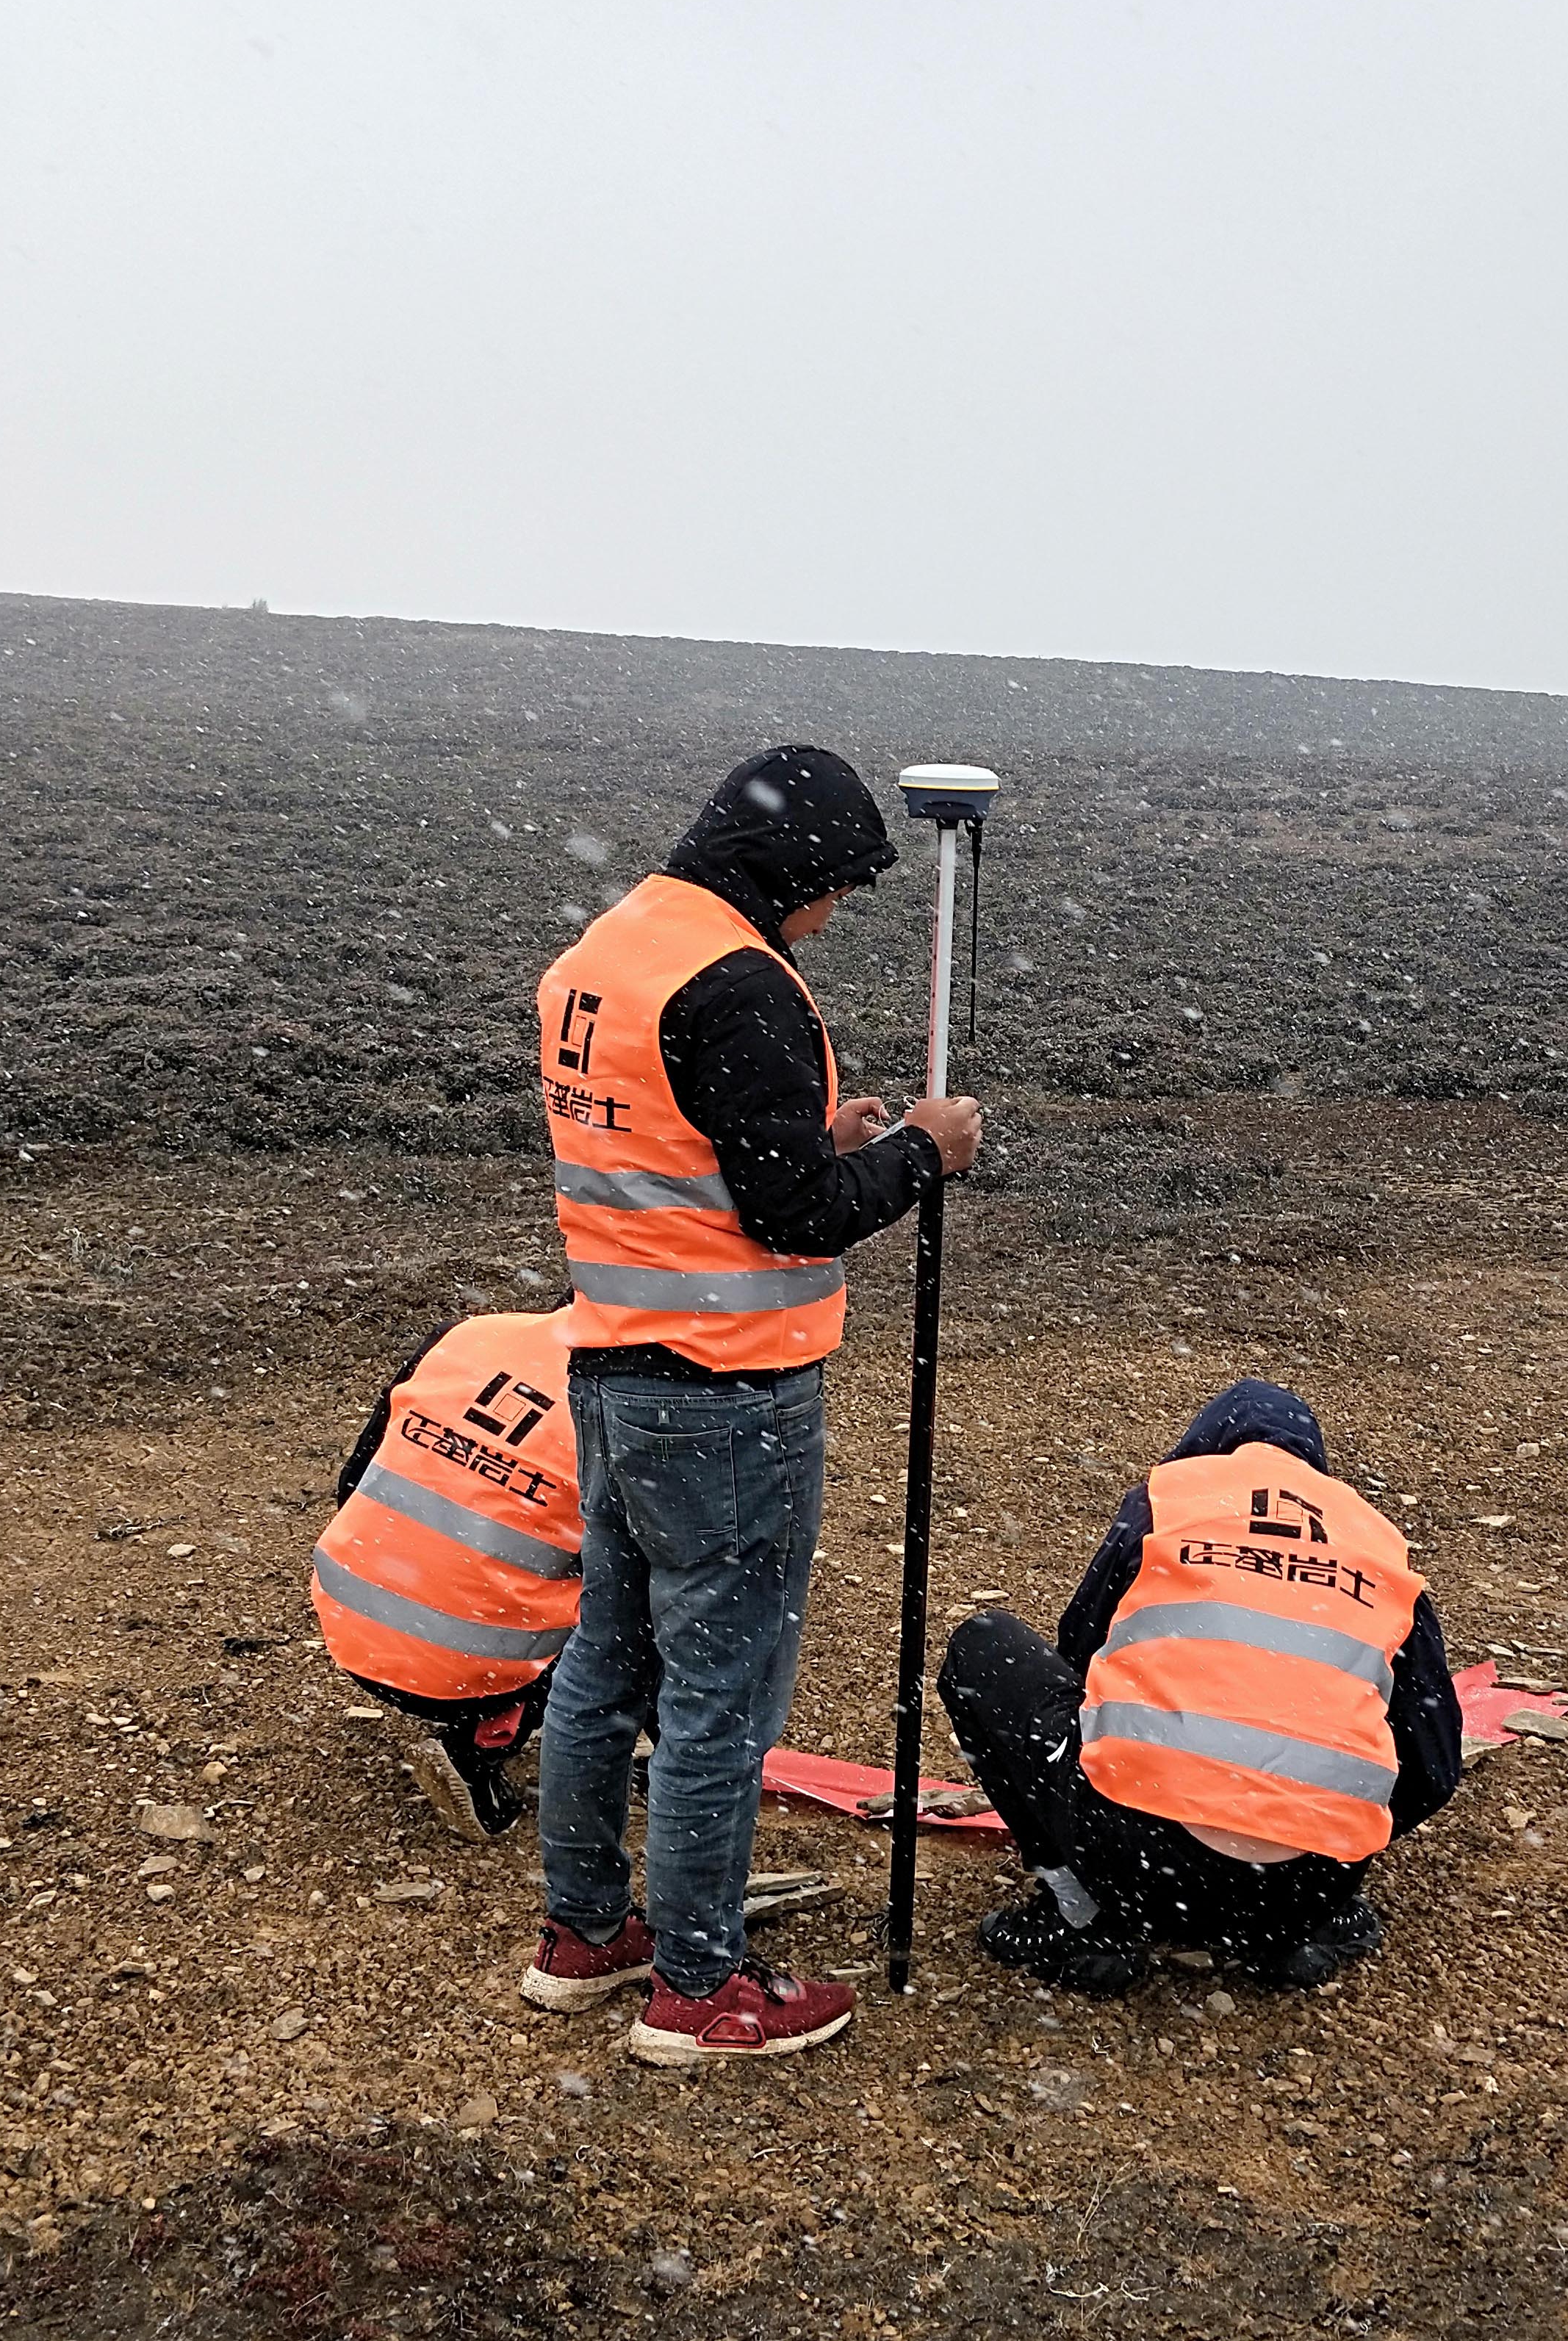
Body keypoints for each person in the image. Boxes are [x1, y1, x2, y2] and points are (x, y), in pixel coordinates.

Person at [522, 744, 982, 2064]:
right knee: (722, 1695)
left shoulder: (613, 950)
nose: (831, 916)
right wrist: (916, 1154)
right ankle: (700, 1986)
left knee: (604, 1666)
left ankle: (584, 1929)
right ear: (781, 867)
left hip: (613, 1366)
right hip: (727, 1395)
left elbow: (676, 1146)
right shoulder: (739, 987)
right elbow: (794, 1218)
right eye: (830, 888)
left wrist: (816, 1132)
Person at [940, 1379, 1462, 1995]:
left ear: (1202, 1449)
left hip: (1134, 1854)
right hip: (1305, 1886)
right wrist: (1329, 1842)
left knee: (985, 1646)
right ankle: (1288, 1934)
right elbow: (1434, 1764)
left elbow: (1081, 1658)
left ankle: (1086, 1921)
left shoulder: (1170, 1504)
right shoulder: (1378, 1547)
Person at [310, 1308, 585, 1839]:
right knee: (663, 1604)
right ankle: (482, 1743)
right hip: (466, 1668)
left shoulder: (469, 1336)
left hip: (348, 1613)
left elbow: (354, 1478)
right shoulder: (637, 1408)